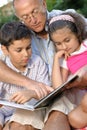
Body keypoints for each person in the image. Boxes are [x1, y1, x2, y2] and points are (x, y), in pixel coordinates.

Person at [0, 0, 87, 130]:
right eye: (25, 17)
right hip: (35, 100)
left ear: (44, 4)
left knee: (56, 118)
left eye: (34, 12)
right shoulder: (19, 35)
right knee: (18, 125)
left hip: (65, 94)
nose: (32, 20)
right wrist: (30, 84)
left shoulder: (65, 20)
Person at [0, 21, 52, 130]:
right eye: (19, 50)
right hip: (4, 111)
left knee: (20, 127)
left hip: (28, 111)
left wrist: (32, 93)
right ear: (5, 50)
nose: (26, 54)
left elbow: (48, 93)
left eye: (28, 47)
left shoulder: (37, 62)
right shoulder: (3, 65)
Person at [48, 11, 87, 129]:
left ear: (77, 33)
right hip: (83, 95)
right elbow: (58, 87)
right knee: (74, 119)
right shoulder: (66, 59)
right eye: (58, 44)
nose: (64, 47)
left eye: (67, 40)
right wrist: (56, 59)